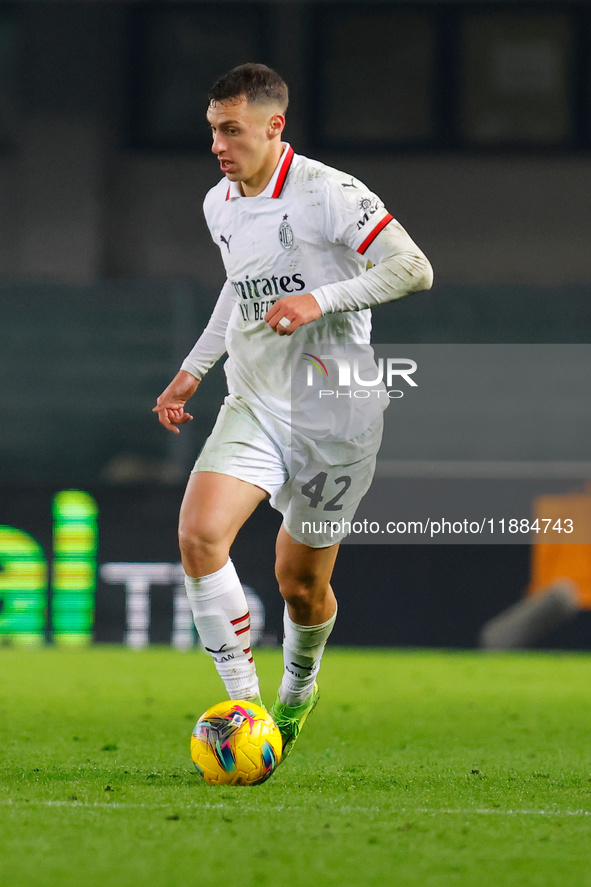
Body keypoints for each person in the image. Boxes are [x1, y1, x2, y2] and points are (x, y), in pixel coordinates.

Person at [153, 63, 433, 765]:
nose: (218, 144)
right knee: (198, 534)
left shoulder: (328, 194)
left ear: (274, 126)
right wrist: (192, 371)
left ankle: (298, 687)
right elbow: (236, 291)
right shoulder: (220, 203)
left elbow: (413, 269)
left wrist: (321, 298)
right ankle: (244, 706)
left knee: (299, 585)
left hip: (335, 413)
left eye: (231, 130)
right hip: (254, 402)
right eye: (213, 129)